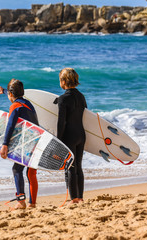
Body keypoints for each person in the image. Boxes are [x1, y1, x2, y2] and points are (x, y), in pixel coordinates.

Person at [0, 79, 39, 209]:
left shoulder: (15, 106)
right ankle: (33, 203)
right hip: (36, 141)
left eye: (8, 93)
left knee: (16, 169)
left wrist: (5, 144)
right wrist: (4, 91)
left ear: (11, 95)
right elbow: (14, 95)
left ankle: (21, 201)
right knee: (31, 173)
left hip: (26, 143)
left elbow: (10, 125)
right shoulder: (28, 103)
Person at [57, 68, 87, 204]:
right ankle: (79, 197)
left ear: (64, 81)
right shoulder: (81, 97)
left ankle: (74, 198)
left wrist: (58, 139)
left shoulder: (63, 99)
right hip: (81, 135)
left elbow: (61, 122)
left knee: (70, 168)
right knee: (78, 167)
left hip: (69, 136)